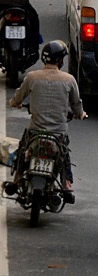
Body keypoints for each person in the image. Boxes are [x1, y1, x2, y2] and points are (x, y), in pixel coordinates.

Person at [6, 41, 84, 201]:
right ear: (60, 61)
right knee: (64, 155)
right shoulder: (69, 80)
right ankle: (67, 185)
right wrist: (81, 114)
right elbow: (76, 105)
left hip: (35, 131)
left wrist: (14, 102)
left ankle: (16, 180)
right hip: (58, 134)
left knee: (22, 150)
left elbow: (18, 96)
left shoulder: (32, 77)